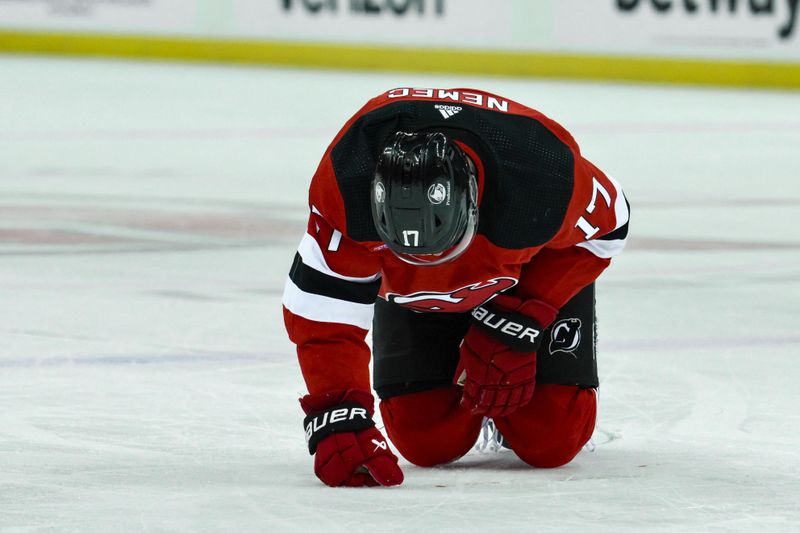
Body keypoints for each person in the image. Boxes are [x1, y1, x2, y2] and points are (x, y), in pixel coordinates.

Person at [283, 87, 629, 487]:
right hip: (412, 302)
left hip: (518, 281)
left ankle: (518, 405)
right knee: (426, 441)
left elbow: (610, 226)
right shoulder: (347, 179)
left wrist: (525, 313)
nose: (429, 270)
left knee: (553, 436)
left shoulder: (540, 174)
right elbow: (323, 308)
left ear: (475, 203)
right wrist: (338, 414)